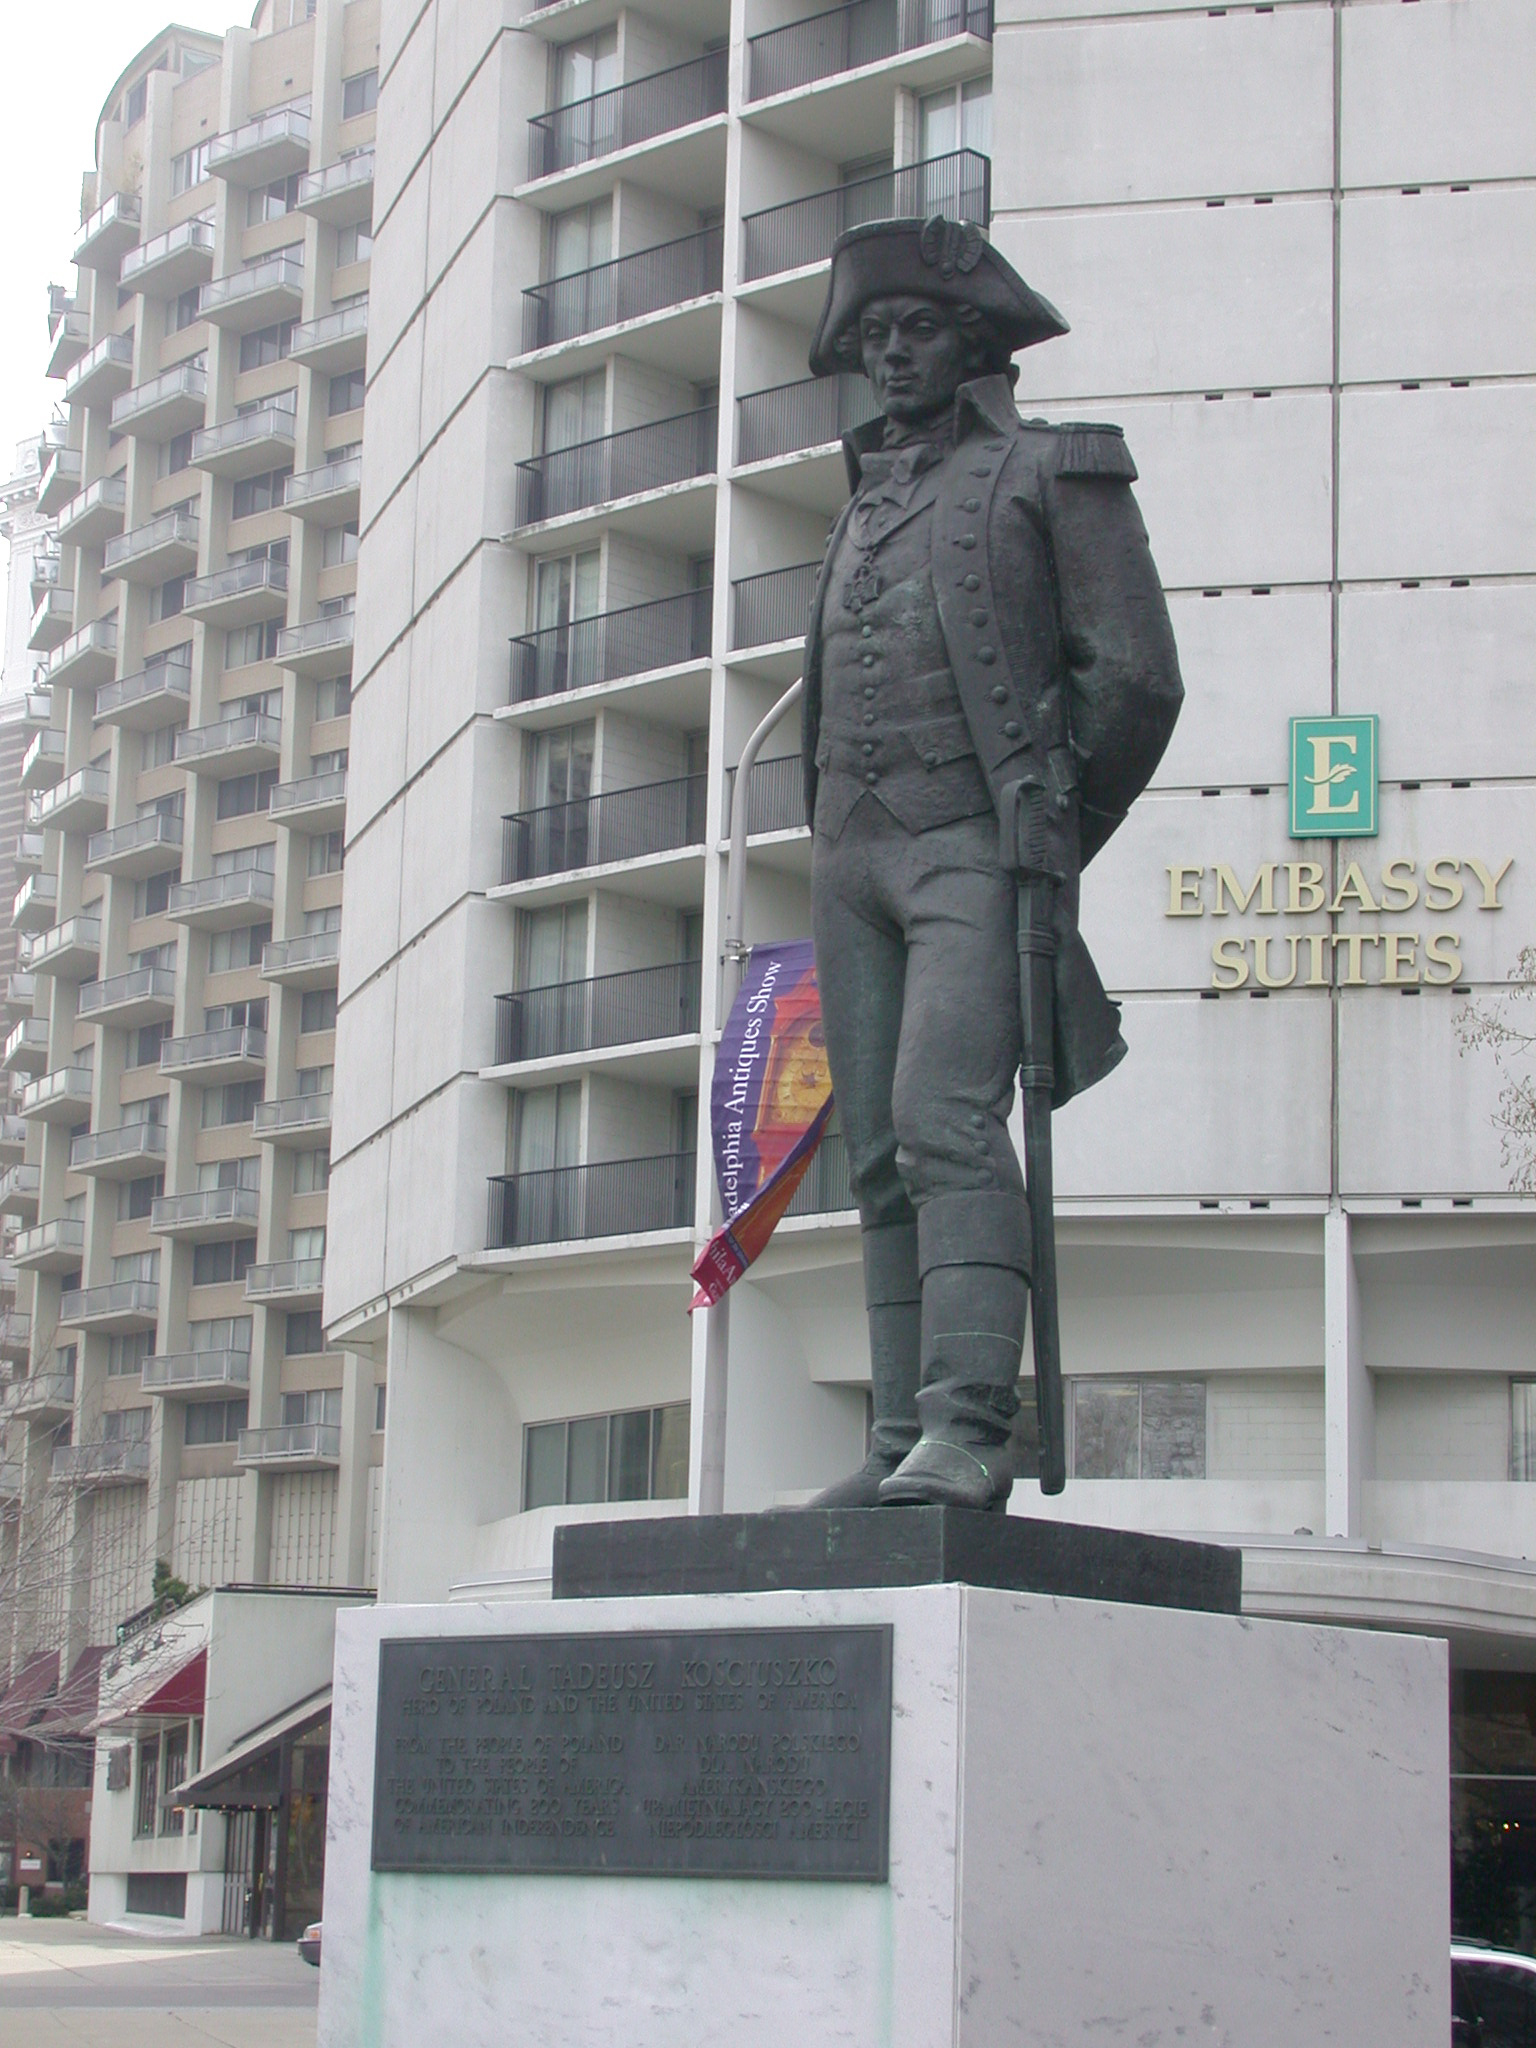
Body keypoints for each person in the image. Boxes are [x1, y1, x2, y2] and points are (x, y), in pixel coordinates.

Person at [800, 215, 1183, 1511]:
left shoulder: (1053, 472)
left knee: (942, 1122)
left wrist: (1056, 836)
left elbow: (1132, 681)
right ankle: (896, 1437)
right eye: (871, 337)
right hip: (852, 854)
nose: (890, 355)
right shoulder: (858, 500)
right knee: (872, 1154)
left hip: (978, 843)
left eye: (914, 329)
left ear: (970, 340)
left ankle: (971, 1426)